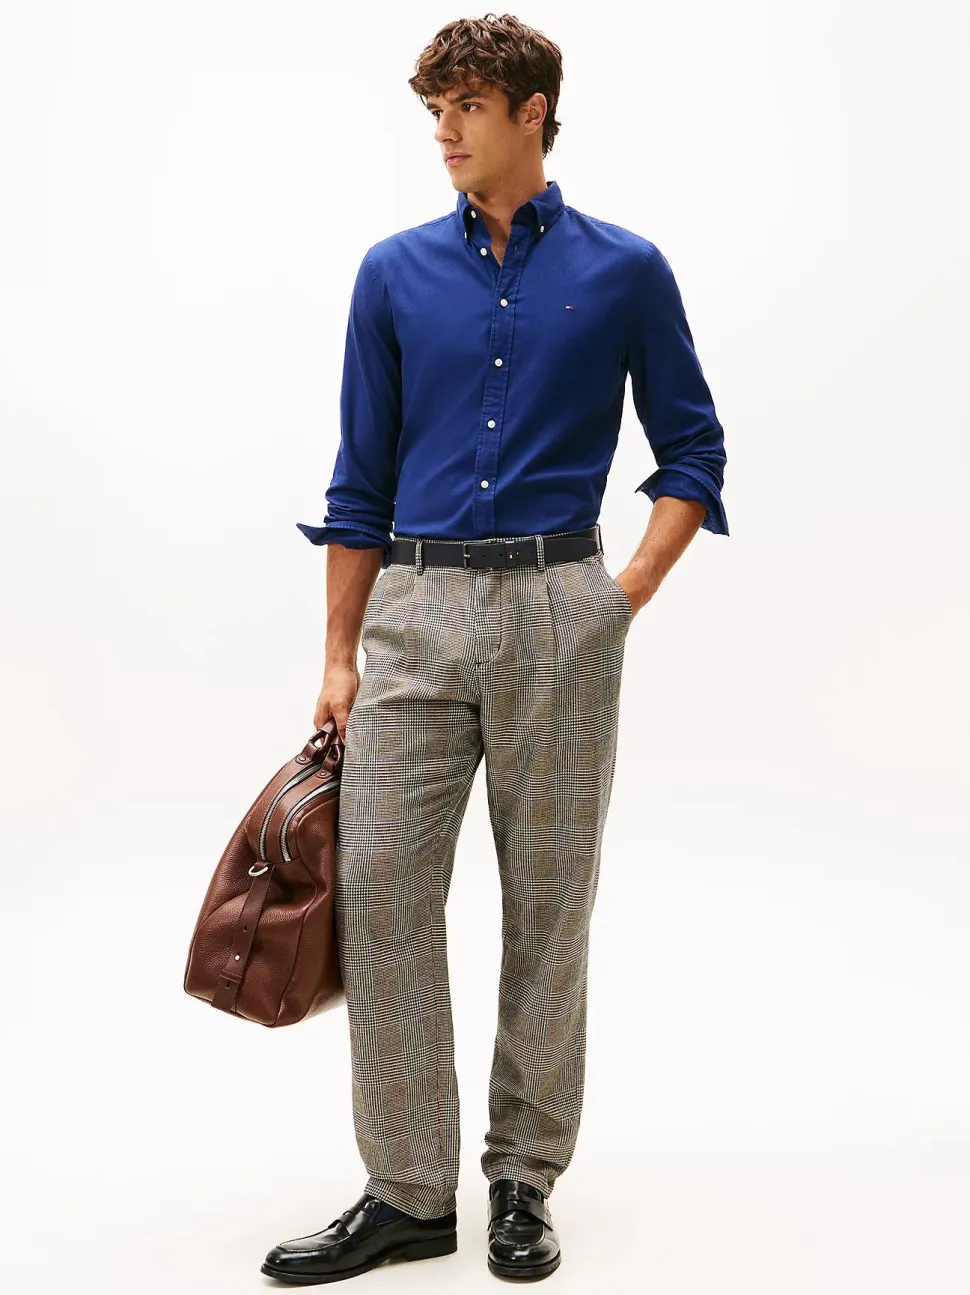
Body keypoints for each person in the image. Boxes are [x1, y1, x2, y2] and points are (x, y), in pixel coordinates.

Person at [261, 12, 728, 1286]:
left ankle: (523, 1174)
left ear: (532, 113)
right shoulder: (392, 272)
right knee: (381, 894)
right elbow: (359, 478)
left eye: (466, 105)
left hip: (559, 607)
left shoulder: (626, 271)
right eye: (435, 110)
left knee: (549, 898)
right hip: (413, 611)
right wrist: (340, 655)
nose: (445, 132)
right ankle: (408, 1189)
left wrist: (617, 596)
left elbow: (692, 447)